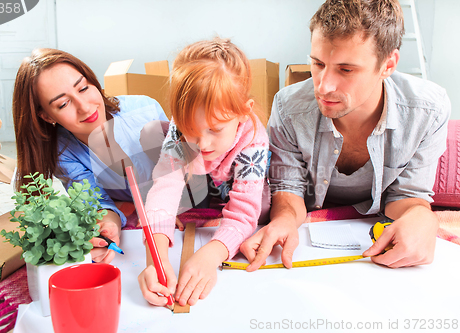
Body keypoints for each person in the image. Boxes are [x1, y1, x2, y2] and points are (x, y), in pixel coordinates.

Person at [241, 0, 451, 271]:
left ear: (388, 65)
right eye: (317, 63)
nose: (324, 86)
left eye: (346, 69)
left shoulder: (428, 110)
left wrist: (422, 216)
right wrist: (283, 220)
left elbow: (407, 196)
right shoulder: (288, 107)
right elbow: (288, 189)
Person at [138, 37, 270, 307]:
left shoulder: (253, 139)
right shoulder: (180, 129)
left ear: (244, 113)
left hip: (248, 197)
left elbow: (245, 213)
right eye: (192, 131)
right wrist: (156, 258)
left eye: (215, 129)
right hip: (206, 190)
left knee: (263, 209)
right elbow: (164, 187)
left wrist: (213, 253)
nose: (203, 143)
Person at [12, 48, 168, 264]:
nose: (85, 108)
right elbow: (98, 201)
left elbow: (183, 172)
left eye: (83, 88)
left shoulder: (144, 108)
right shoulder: (63, 152)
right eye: (63, 104)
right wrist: (109, 226)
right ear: (47, 116)